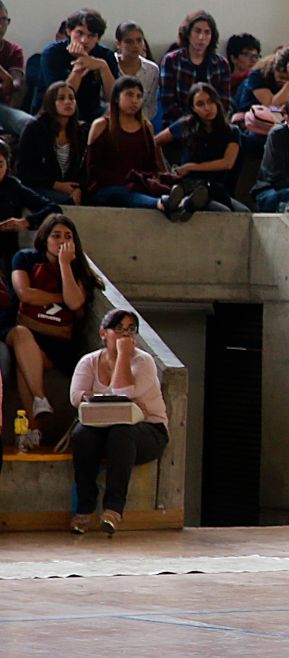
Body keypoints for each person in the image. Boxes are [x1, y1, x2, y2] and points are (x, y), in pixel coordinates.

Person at [67, 309, 168, 536]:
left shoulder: (144, 361)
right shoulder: (90, 361)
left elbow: (123, 391)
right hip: (102, 428)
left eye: (131, 330)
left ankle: (113, 509)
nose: (125, 335)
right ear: (103, 333)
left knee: (122, 432)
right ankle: (84, 508)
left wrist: (123, 355)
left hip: (148, 430)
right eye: (119, 329)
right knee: (82, 434)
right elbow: (76, 396)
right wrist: (97, 399)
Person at [10, 214, 101, 438]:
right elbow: (25, 294)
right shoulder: (25, 258)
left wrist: (64, 265)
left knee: (24, 366)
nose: (61, 241)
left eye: (68, 236)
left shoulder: (76, 267)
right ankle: (40, 402)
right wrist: (60, 297)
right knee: (20, 336)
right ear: (45, 238)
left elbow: (75, 302)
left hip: (59, 344)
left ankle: (33, 428)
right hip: (31, 333)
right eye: (56, 235)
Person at [85, 77, 196, 217]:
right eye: (129, 95)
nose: (135, 100)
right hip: (107, 188)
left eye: (139, 96)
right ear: (116, 98)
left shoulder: (146, 127)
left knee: (169, 185)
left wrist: (147, 180)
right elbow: (93, 168)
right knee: (127, 193)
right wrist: (128, 181)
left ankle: (184, 204)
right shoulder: (101, 125)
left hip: (141, 183)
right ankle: (163, 204)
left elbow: (151, 164)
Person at [153, 81, 248, 212]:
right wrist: (165, 171)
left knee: (244, 212)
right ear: (193, 108)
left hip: (217, 188)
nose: (207, 108)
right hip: (190, 186)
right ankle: (185, 204)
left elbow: (227, 163)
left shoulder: (231, 132)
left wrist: (192, 167)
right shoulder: (186, 125)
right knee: (222, 211)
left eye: (210, 102)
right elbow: (154, 142)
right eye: (200, 104)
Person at [41, 9, 118, 122]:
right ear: (69, 31)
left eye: (91, 36)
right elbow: (60, 98)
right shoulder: (52, 53)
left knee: (117, 109)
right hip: (54, 112)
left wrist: (103, 66)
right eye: (79, 33)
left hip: (92, 113)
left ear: (98, 38)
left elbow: (112, 97)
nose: (84, 40)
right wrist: (81, 62)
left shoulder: (105, 55)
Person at [18, 82, 86, 206]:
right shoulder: (35, 128)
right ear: (50, 102)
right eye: (61, 98)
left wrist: (79, 189)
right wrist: (56, 185)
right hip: (40, 185)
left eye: (71, 98)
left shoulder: (81, 131)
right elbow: (24, 170)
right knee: (65, 201)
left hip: (70, 187)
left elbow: (85, 168)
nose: (67, 102)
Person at [156, 10, 229, 125]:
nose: (201, 37)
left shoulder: (221, 64)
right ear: (188, 33)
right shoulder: (171, 60)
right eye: (197, 31)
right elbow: (168, 101)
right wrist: (193, 122)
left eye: (207, 32)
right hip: (179, 124)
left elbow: (224, 101)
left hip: (212, 124)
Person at [0, 142, 60, 265]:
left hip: (6, 254)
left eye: (0, 165)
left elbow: (54, 209)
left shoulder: (13, 187)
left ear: (7, 165)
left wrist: (26, 222)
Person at [112, 22, 158, 127]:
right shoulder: (109, 64)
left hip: (139, 122)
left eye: (139, 40)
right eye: (129, 42)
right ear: (118, 44)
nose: (135, 45)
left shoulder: (152, 70)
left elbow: (150, 106)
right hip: (111, 120)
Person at [234, 46, 289, 111]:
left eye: (287, 79)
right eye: (281, 77)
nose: (284, 82)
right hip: (249, 115)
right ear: (274, 69)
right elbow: (272, 105)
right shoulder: (257, 74)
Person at [0, 1, 29, 137]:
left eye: (3, 20)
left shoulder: (13, 50)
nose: (0, 25)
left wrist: (3, 74)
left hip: (2, 108)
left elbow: (15, 85)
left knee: (29, 124)